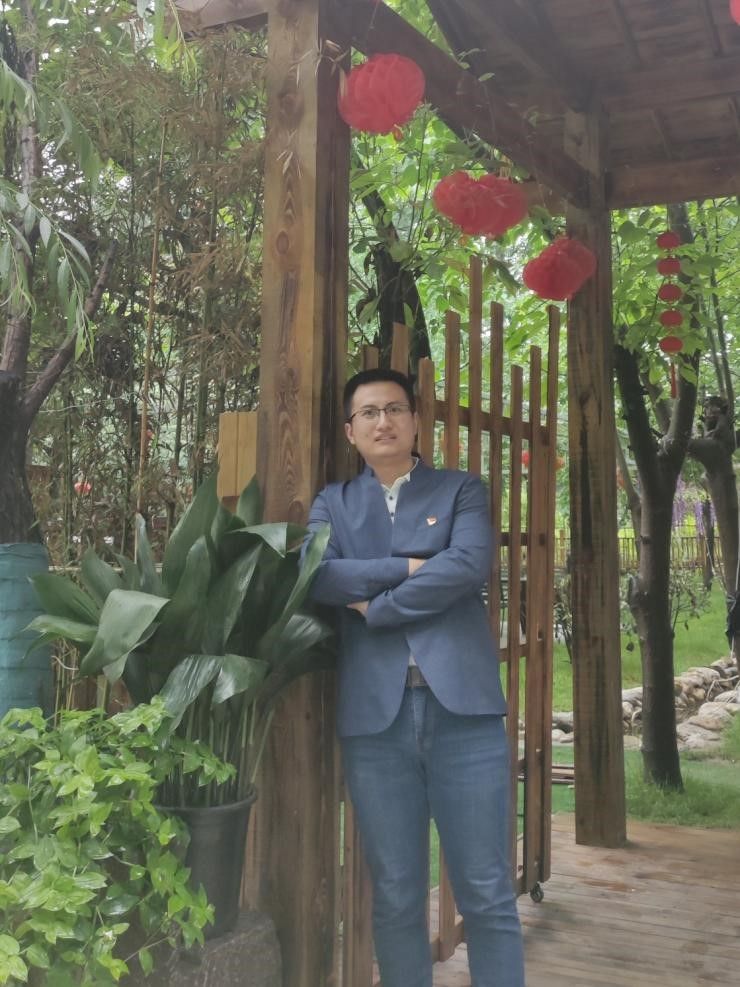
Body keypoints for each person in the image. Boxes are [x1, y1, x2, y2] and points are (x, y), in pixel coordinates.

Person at [305, 368, 525, 987]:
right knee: (397, 891)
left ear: (416, 420)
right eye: (369, 413)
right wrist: (409, 565)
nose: (384, 421)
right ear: (351, 431)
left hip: (465, 718)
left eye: (395, 408)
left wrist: (376, 607)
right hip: (377, 725)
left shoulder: (462, 490)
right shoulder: (333, 503)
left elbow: (466, 566)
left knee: (486, 889)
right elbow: (317, 576)